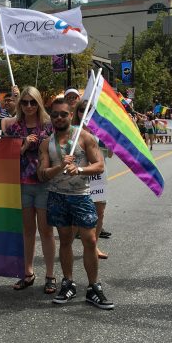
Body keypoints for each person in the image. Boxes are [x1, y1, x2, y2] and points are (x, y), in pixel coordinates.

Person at [38, 98, 114, 309]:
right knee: (65, 241)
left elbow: (99, 165)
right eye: (55, 114)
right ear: (50, 117)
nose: (59, 118)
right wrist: (60, 167)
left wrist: (79, 169)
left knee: (89, 240)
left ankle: (93, 288)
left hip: (81, 196)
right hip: (57, 196)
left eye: (63, 114)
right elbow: (42, 174)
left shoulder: (84, 137)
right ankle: (68, 282)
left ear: (71, 115)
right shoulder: (46, 143)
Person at [2, 86, 56, 292]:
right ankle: (28, 272)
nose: (29, 106)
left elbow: (59, 150)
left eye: (33, 102)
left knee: (46, 231)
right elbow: (5, 157)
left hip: (44, 183)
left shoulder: (49, 125)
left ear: (39, 103)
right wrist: (23, 146)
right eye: (24, 102)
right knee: (27, 231)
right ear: (19, 104)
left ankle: (50, 275)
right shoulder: (14, 128)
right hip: (22, 184)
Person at [74, 99, 111, 259]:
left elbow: (109, 154)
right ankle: (71, 246)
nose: (85, 113)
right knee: (77, 214)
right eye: (82, 110)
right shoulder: (72, 131)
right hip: (78, 176)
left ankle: (93, 246)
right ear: (77, 112)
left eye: (89, 110)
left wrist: (111, 143)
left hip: (98, 176)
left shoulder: (102, 131)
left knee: (99, 212)